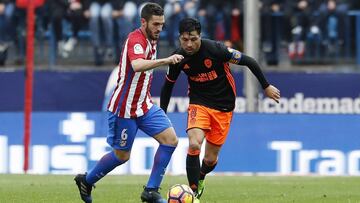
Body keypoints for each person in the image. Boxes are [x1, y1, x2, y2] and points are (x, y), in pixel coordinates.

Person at [74, 3, 184, 203]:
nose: (159, 28)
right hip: (124, 109)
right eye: (156, 24)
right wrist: (166, 61)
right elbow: (137, 65)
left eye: (162, 24)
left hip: (144, 105)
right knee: (122, 156)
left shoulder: (152, 38)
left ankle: (151, 191)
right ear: (143, 22)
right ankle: (87, 180)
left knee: (171, 141)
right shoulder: (136, 39)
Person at [160, 18, 280, 200]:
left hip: (224, 107)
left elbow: (249, 61)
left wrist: (266, 86)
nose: (189, 44)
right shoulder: (177, 58)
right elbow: (168, 86)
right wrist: (162, 113)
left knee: (209, 159)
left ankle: (200, 176)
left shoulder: (216, 49)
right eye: (185, 40)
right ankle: (193, 195)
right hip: (198, 103)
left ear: (200, 36)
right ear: (179, 39)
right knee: (193, 144)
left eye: (193, 39)